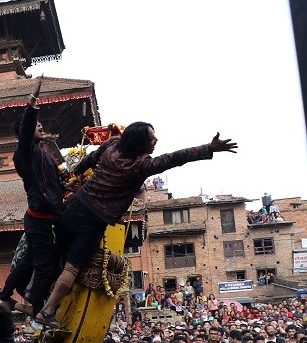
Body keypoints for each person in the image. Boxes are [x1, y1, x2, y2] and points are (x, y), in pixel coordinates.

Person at [34, 125, 237, 327]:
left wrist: (72, 175)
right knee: (72, 268)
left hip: (76, 207)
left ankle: (31, 293)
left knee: (53, 252)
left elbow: (89, 159)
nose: (156, 140)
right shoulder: (142, 165)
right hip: (95, 220)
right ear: (140, 143)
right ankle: (47, 310)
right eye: (151, 138)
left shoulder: (112, 144)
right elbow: (174, 158)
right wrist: (208, 148)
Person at [0, 76, 63, 320]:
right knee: (45, 266)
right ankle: (39, 312)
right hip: (41, 216)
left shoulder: (43, 152)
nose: (41, 126)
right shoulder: (24, 151)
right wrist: (32, 102)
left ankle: (3, 295)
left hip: (43, 215)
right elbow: (26, 128)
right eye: (36, 124)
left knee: (30, 260)